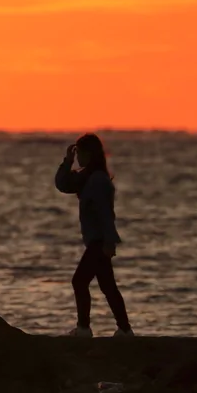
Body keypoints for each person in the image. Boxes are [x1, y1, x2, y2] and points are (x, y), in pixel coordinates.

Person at [55, 133, 133, 337]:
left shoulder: (98, 180)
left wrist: (109, 241)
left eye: (80, 153)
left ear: (89, 154)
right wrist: (68, 161)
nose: (78, 157)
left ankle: (83, 328)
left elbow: (105, 214)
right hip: (96, 240)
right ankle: (125, 330)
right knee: (108, 286)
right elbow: (63, 184)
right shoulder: (87, 177)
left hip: (99, 241)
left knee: (79, 282)